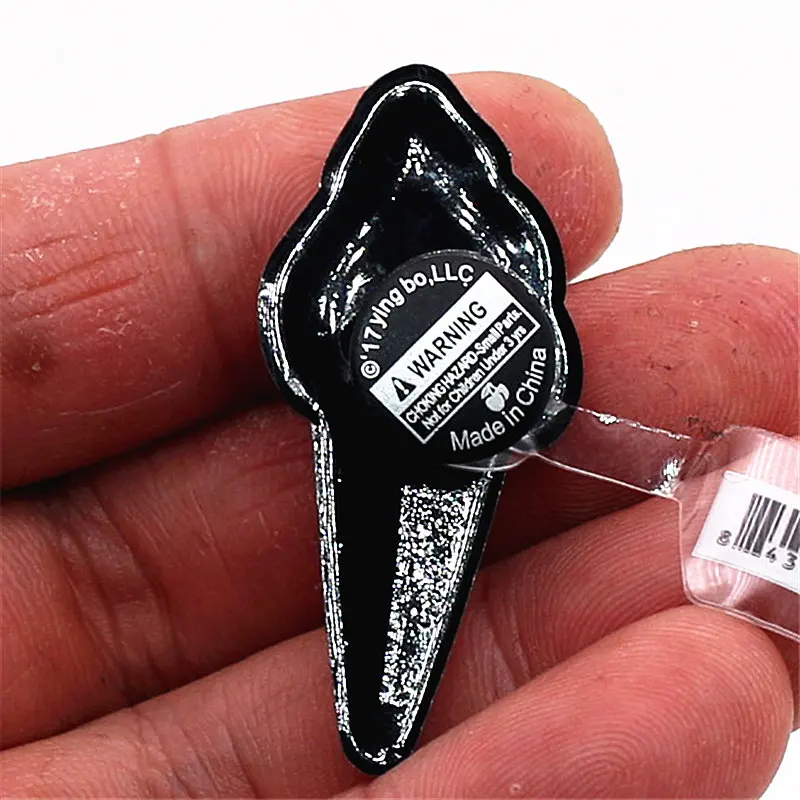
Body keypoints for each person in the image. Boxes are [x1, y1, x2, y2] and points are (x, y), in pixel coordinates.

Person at [1, 72, 796, 798]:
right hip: (378, 421)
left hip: (422, 416)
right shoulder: (353, 281)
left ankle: (380, 720)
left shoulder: (475, 247)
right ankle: (379, 720)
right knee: (384, 684)